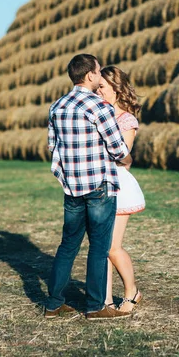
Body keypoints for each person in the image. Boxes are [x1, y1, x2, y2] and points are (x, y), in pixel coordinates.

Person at [45, 54, 133, 320]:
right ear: (91, 75)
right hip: (98, 187)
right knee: (98, 246)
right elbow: (118, 148)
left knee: (68, 245)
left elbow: (52, 146)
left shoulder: (57, 107)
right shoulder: (99, 107)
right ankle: (95, 306)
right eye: (98, 71)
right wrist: (128, 158)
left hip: (71, 188)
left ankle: (53, 304)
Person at [97, 66, 145, 313]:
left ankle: (131, 291)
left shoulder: (126, 119)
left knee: (111, 247)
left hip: (118, 186)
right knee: (101, 249)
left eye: (102, 87)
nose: (98, 91)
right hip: (97, 184)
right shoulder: (97, 114)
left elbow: (124, 156)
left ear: (116, 88)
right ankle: (104, 300)